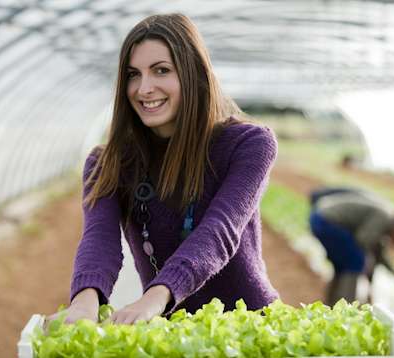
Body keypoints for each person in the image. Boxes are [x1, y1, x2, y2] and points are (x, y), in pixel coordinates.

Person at [47, 13, 279, 325]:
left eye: (161, 71)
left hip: (253, 327)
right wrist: (83, 302)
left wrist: (154, 298)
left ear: (192, 73)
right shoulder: (106, 162)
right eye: (133, 74)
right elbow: (99, 239)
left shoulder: (249, 143)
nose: (144, 88)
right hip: (170, 333)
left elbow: (219, 232)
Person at [309, 187, 394, 305]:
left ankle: (331, 306)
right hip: (325, 220)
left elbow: (380, 254)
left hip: (322, 218)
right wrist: (368, 274)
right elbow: (363, 240)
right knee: (356, 260)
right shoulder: (385, 217)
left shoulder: (387, 217)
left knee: (343, 265)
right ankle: (346, 309)